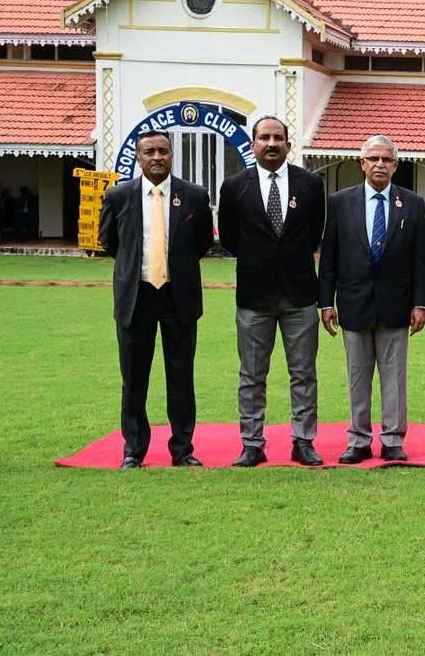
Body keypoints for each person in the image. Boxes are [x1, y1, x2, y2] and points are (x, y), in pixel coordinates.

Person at [97, 130, 214, 468]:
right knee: (134, 378)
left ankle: (182, 450)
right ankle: (134, 450)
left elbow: (203, 243)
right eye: (149, 151)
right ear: (139, 157)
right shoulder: (119, 196)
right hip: (136, 297)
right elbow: (109, 241)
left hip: (179, 297)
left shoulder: (193, 195)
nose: (157, 157)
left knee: (181, 376)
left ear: (172, 154)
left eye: (163, 150)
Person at [218, 116, 327, 468]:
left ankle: (304, 441)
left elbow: (313, 235)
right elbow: (231, 239)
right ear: (252, 144)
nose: (271, 143)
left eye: (278, 138)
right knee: (251, 375)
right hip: (254, 295)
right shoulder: (234, 187)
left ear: (288, 145)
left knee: (304, 373)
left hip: (300, 294)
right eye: (264, 137)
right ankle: (252, 444)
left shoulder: (310, 184)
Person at [318, 135, 425, 464]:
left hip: (397, 305)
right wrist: (326, 302)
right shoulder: (340, 202)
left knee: (395, 375)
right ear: (362, 163)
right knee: (357, 376)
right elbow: (330, 258)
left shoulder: (413, 203)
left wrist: (421, 303)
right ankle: (359, 440)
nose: (379, 164)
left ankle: (393, 439)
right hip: (353, 303)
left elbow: (420, 260)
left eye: (386, 159)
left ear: (396, 165)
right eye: (374, 159)